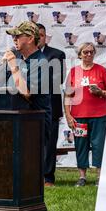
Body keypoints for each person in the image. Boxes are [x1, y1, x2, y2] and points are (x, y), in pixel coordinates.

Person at [3, 21, 52, 174]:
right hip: (19, 118)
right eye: (13, 36)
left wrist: (12, 64)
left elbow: (26, 91)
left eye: (18, 35)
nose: (14, 39)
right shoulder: (23, 62)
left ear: (30, 38)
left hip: (34, 121)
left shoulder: (41, 62)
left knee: (28, 166)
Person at [64, 42, 106, 187]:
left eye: (91, 52)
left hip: (100, 115)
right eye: (85, 52)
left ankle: (99, 176)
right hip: (79, 115)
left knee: (99, 145)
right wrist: (68, 114)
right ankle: (82, 177)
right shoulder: (74, 72)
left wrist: (101, 92)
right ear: (79, 55)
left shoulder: (101, 70)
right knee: (81, 145)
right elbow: (67, 95)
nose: (89, 54)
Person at [37, 23, 66, 187]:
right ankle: (32, 176)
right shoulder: (22, 56)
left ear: (45, 36)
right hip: (29, 106)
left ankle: (48, 178)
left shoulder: (57, 54)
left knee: (49, 143)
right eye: (36, 35)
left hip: (50, 106)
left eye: (41, 35)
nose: (38, 38)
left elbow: (58, 79)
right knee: (30, 143)